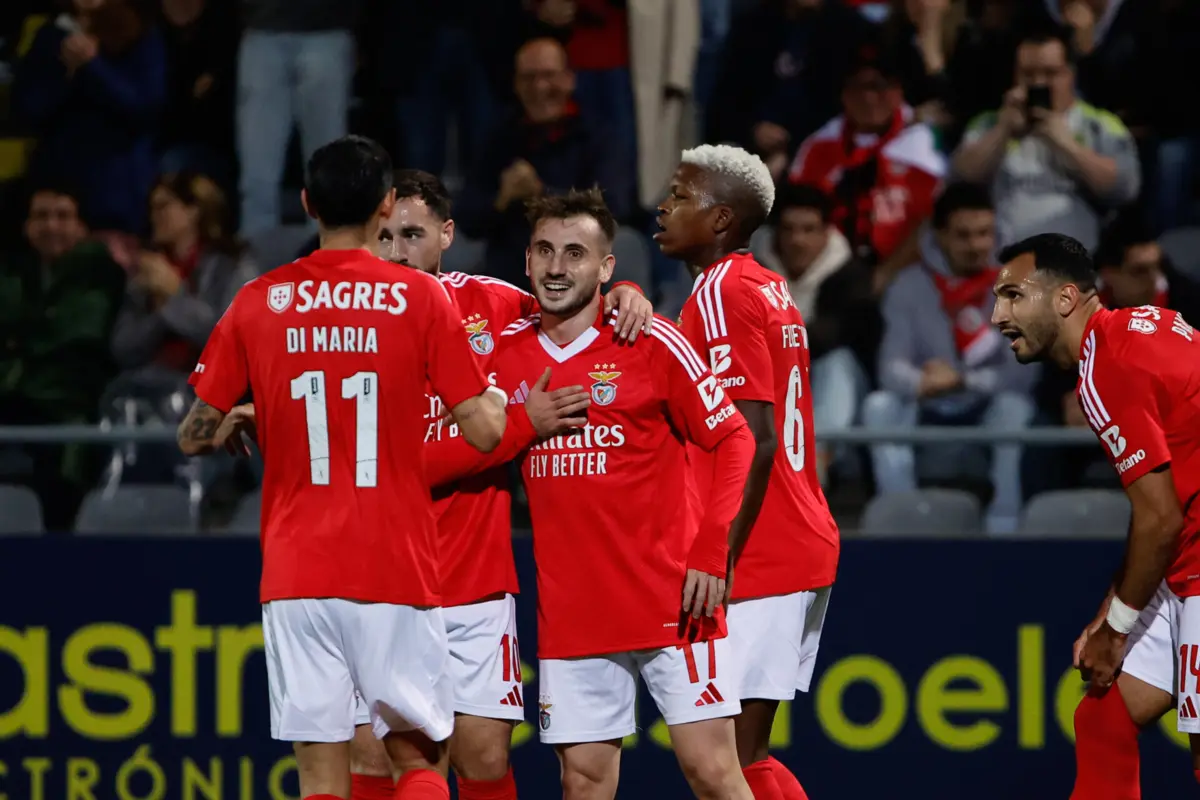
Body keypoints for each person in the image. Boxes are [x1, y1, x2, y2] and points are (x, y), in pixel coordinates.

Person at [175, 135, 508, 800]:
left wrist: (246, 413)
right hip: (394, 561)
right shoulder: (420, 299)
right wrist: (496, 399)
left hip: (298, 572)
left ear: (305, 203)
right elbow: (482, 430)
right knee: (417, 756)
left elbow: (193, 435)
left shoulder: (257, 300)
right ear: (386, 205)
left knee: (322, 771)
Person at [346, 172, 653, 800]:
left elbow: (569, 294)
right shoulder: (351, 324)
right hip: (380, 579)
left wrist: (623, 290)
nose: (398, 251)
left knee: (483, 758)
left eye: (413, 234)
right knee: (381, 762)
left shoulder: (490, 304)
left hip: (475, 581)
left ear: (447, 236)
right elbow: (393, 468)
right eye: (384, 237)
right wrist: (522, 426)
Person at [489, 188, 755, 799]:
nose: (558, 268)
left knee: (713, 772)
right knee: (583, 782)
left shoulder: (653, 340)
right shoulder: (502, 357)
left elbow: (734, 439)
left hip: (674, 599)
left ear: (606, 268)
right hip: (574, 610)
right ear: (527, 260)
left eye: (576, 253)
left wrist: (713, 549)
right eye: (545, 251)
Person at [657, 144, 839, 800]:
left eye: (680, 195)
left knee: (723, 760)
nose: (663, 205)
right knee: (742, 756)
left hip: (760, 547)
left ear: (721, 220)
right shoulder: (765, 286)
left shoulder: (720, 295)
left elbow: (753, 439)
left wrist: (719, 553)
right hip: (794, 534)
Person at [991, 232, 1200, 798]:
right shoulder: (1133, 328)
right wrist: (1111, 611)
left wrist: (1116, 632)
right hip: (1186, 558)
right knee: (1103, 716)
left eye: (1012, 296)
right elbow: (1159, 501)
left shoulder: (1104, 368)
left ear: (1063, 299)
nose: (996, 315)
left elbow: (1161, 519)